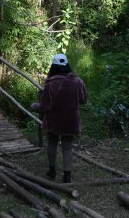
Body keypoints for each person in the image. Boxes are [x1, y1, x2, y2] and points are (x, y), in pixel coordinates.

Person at [30, 53, 88, 183]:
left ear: (54, 66)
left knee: (52, 144)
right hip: (71, 121)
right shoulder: (78, 81)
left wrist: (34, 106)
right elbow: (84, 100)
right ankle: (67, 176)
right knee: (67, 147)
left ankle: (52, 171)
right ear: (67, 65)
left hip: (54, 121)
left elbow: (44, 106)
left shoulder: (51, 84)